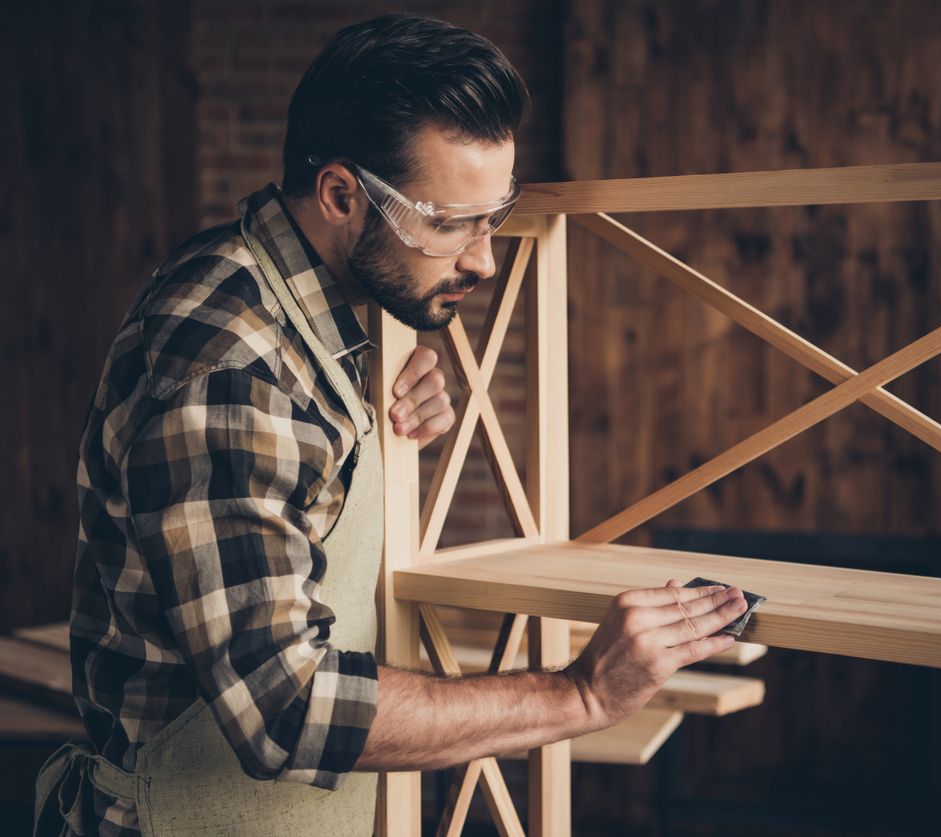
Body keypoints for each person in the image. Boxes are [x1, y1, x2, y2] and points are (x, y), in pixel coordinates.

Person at [35, 13, 747, 837]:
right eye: (449, 223)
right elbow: (286, 707)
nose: (482, 258)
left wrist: (376, 412)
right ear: (342, 194)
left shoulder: (303, 299)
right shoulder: (230, 365)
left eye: (495, 216)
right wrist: (579, 692)